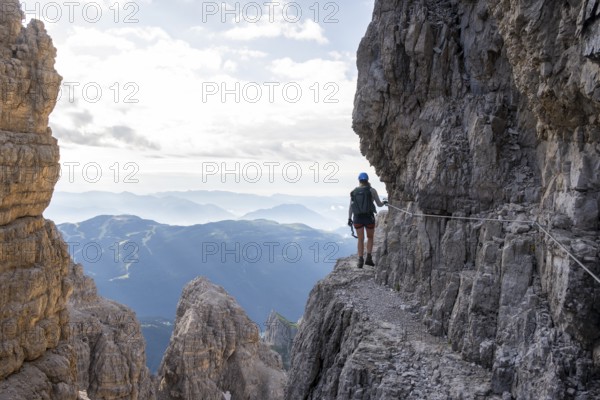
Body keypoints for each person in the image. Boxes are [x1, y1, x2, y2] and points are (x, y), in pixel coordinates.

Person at [348, 172, 387, 268]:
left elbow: (351, 207)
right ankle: (368, 258)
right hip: (368, 218)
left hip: (357, 218)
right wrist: (385, 202)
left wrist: (349, 218)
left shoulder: (353, 192)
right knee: (370, 237)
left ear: (359, 180)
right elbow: (379, 204)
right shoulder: (372, 190)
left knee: (360, 239)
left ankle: (360, 260)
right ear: (367, 180)